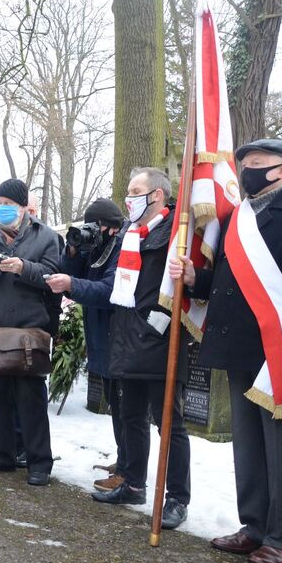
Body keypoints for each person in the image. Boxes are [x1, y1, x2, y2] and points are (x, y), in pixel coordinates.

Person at [170, 139, 282, 563]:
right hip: (239, 346)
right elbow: (225, 284)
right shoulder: (237, 217)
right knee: (247, 445)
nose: (247, 170)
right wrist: (195, 278)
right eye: (244, 163)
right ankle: (254, 526)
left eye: (257, 163)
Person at [91, 167, 190, 531]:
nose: (128, 198)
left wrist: (156, 325)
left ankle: (177, 498)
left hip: (160, 340)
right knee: (131, 416)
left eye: (135, 191)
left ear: (157, 195)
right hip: (127, 337)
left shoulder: (176, 233)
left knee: (169, 424)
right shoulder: (130, 234)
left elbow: (179, 290)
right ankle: (133, 484)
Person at [0, 178, 60, 486]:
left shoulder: (45, 236)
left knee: (31, 399)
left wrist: (23, 267)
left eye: (8, 204)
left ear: (22, 206)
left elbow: (53, 277)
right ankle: (3, 454)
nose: (2, 209)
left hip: (27, 330)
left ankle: (39, 462)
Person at [46, 198, 126, 491]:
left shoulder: (122, 246)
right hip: (101, 337)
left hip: (119, 337)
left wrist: (71, 284)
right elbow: (72, 271)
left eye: (96, 225)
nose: (92, 230)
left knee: (126, 410)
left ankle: (129, 470)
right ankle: (124, 459)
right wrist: (73, 249)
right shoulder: (96, 247)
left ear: (112, 228)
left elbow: (109, 290)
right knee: (115, 405)